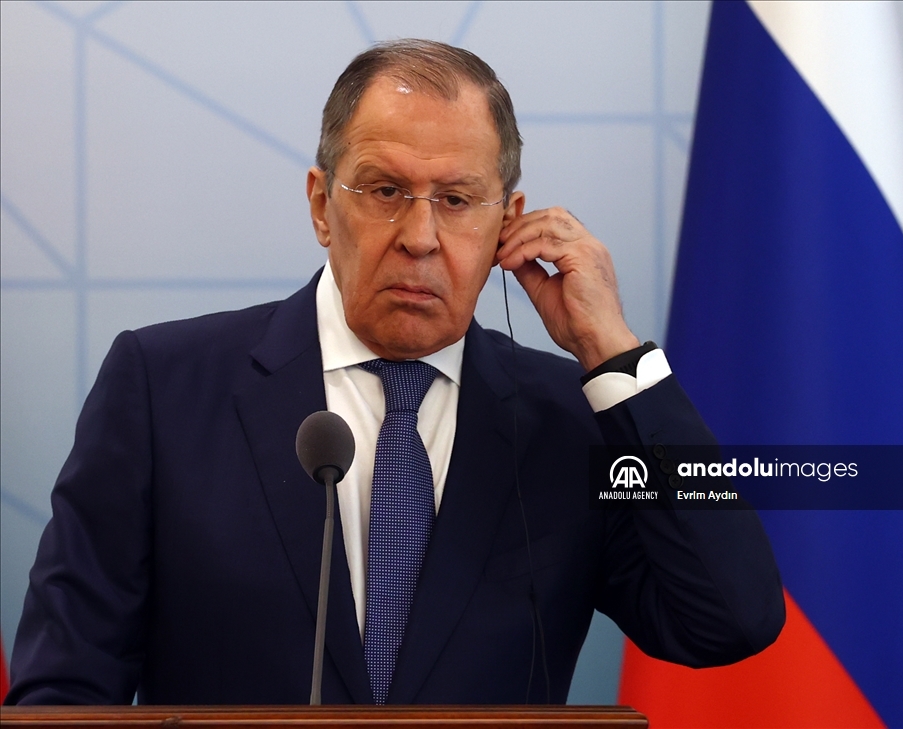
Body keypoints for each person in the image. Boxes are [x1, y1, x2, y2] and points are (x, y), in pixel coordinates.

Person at [6, 39, 784, 706]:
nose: (420, 236)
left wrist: (614, 356)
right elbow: (63, 690)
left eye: (457, 199)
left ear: (508, 224)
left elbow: (729, 617)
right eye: (385, 191)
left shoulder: (571, 422)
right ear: (322, 205)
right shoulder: (163, 389)